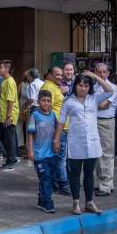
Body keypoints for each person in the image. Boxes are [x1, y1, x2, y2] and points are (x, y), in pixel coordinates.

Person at [58, 71, 113, 215]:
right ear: (75, 86)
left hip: (92, 142)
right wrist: (56, 139)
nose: (83, 88)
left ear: (90, 87)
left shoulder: (94, 98)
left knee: (89, 173)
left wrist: (95, 77)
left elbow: (110, 90)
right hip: (75, 142)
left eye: (86, 86)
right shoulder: (68, 101)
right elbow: (61, 121)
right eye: (80, 85)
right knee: (75, 174)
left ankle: (89, 202)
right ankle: (76, 203)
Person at [27, 89, 59, 213]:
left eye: (48, 101)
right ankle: (48, 203)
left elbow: (57, 130)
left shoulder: (53, 116)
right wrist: (30, 151)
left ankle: (41, 200)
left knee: (50, 178)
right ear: (39, 101)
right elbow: (30, 134)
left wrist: (57, 144)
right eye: (43, 101)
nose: (46, 103)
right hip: (39, 155)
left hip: (51, 153)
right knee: (45, 178)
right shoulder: (34, 116)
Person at [41, 66, 69, 195]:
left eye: (61, 75)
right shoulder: (48, 87)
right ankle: (63, 184)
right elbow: (45, 109)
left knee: (56, 157)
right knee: (60, 158)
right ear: (50, 75)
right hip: (56, 129)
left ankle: (54, 183)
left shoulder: (54, 87)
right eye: (57, 75)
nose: (60, 77)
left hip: (60, 128)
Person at [93, 63, 117, 197]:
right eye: (99, 72)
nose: (101, 74)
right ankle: (106, 183)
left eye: (104, 72)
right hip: (94, 122)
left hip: (106, 122)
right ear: (95, 73)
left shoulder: (112, 88)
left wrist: (91, 104)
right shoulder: (92, 87)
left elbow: (103, 106)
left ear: (108, 73)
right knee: (97, 154)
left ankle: (105, 186)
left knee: (106, 154)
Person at [0, 60, 20, 171]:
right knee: (2, 137)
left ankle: (11, 161)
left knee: (9, 139)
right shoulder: (4, 81)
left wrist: (8, 116)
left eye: (1, 67)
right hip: (3, 115)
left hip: (8, 116)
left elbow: (11, 100)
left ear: (6, 69)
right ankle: (12, 157)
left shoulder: (10, 82)